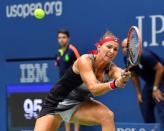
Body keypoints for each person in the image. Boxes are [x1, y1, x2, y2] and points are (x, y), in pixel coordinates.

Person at [34, 31, 131, 131]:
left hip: (79, 105)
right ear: (99, 47)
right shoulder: (85, 60)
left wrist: (124, 77)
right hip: (55, 104)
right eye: (109, 47)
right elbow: (94, 89)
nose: (112, 51)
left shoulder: (112, 69)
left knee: (107, 116)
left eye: (115, 49)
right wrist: (115, 83)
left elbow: (120, 74)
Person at [122, 38, 164, 130]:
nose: (124, 50)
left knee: (160, 102)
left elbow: (160, 69)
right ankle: (152, 129)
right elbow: (133, 75)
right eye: (123, 47)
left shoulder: (145, 55)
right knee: (144, 104)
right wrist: (138, 93)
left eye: (127, 47)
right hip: (150, 82)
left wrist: (156, 88)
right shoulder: (127, 59)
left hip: (162, 79)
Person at [54, 29, 80, 131]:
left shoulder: (73, 50)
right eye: (59, 37)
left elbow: (81, 63)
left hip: (74, 84)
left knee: (76, 109)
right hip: (63, 85)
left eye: (63, 37)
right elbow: (58, 65)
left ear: (68, 39)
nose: (61, 40)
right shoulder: (58, 53)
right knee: (65, 110)